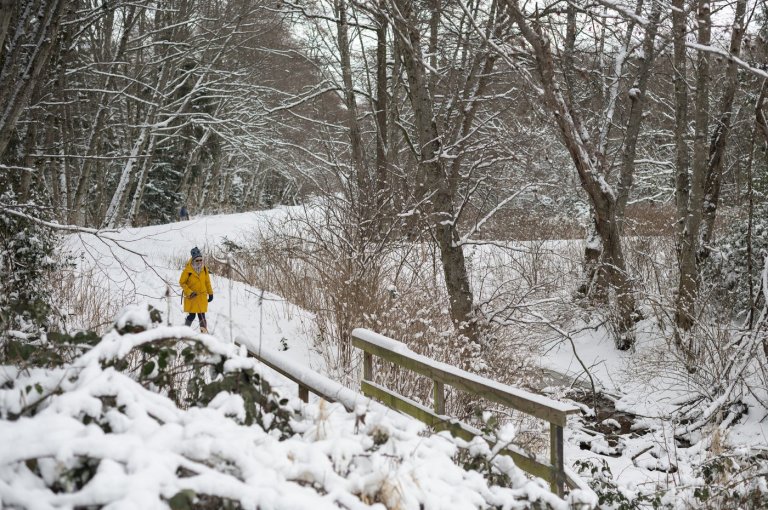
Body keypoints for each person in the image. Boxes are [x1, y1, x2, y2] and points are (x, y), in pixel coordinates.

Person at [179, 246, 213, 332]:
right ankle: (184, 331)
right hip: (192, 297)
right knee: (192, 316)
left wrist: (210, 293)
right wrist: (189, 292)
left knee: (202, 316)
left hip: (202, 297)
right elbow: (182, 283)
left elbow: (207, 282)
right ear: (193, 260)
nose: (199, 262)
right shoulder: (187, 270)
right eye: (197, 260)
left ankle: (204, 334)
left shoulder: (204, 269)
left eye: (201, 260)